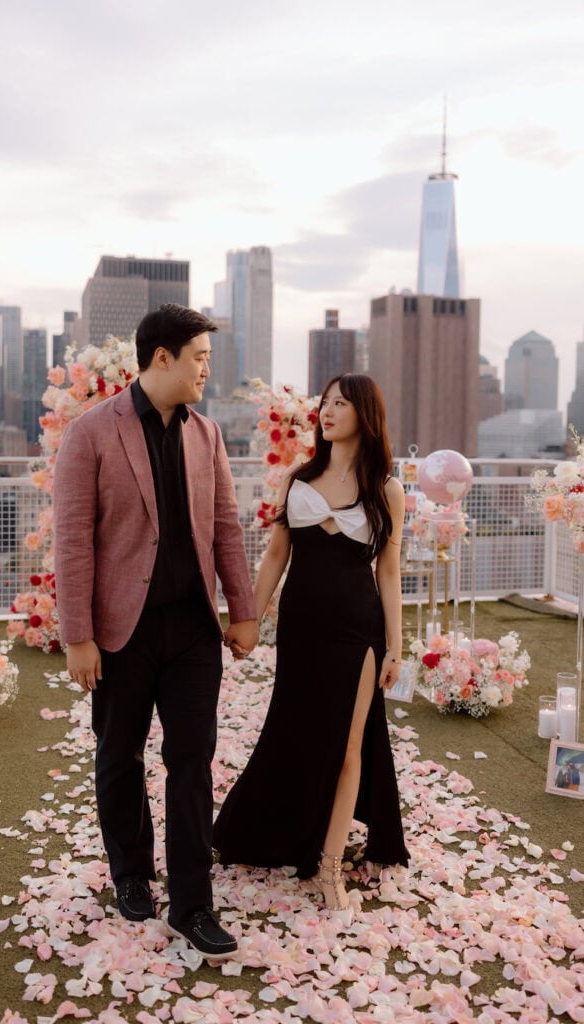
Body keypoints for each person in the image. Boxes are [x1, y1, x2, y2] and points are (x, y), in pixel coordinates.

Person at [54, 303, 258, 959]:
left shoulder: (208, 434)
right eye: (198, 358)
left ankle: (192, 905)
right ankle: (131, 872)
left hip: (194, 629)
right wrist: (77, 635)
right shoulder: (90, 433)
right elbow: (73, 542)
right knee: (118, 756)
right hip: (119, 630)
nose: (206, 370)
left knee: (191, 761)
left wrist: (244, 609)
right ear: (161, 357)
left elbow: (226, 526)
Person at [213, 373, 409, 917]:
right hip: (300, 632)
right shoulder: (299, 478)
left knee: (350, 746)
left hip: (358, 632)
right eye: (325, 403)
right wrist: (247, 617)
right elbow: (276, 556)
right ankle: (287, 828)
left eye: (341, 403)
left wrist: (395, 646)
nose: (327, 411)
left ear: (364, 414)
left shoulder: (386, 488)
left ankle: (328, 869)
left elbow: (389, 572)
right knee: (296, 730)